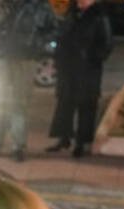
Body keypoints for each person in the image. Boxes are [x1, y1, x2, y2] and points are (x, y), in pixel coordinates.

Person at [0, 0, 58, 162]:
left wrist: (36, 44)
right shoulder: (1, 5)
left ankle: (18, 146)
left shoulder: (40, 6)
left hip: (25, 59)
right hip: (2, 57)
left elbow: (54, 30)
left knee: (20, 103)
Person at [47, 0, 113, 158]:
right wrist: (59, 58)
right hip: (68, 70)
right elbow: (62, 36)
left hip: (87, 71)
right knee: (65, 104)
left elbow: (107, 44)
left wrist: (92, 57)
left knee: (86, 107)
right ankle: (64, 138)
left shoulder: (99, 17)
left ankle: (81, 143)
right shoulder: (71, 14)